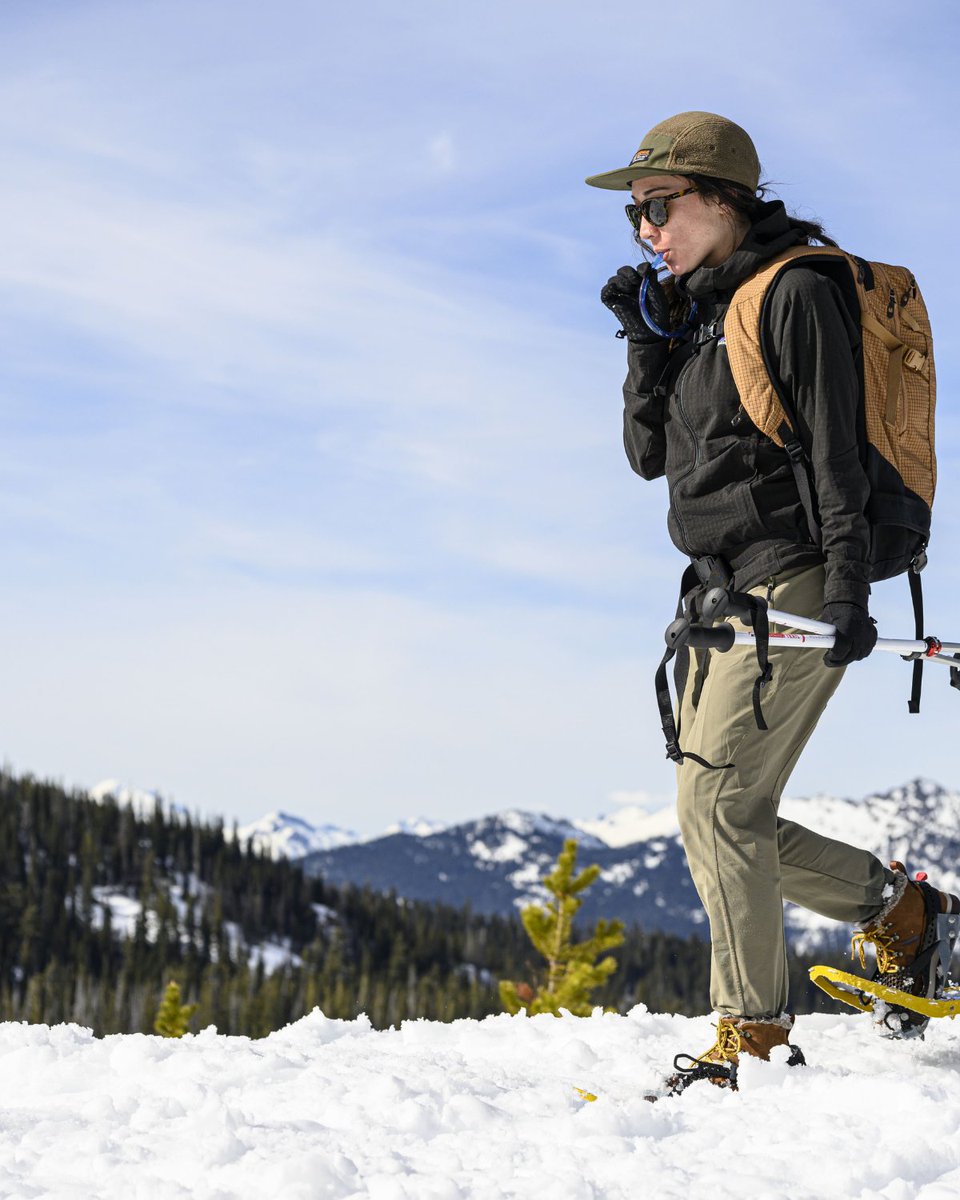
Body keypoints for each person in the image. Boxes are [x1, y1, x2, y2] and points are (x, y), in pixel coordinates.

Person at [586, 111, 958, 1094]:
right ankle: (902, 914)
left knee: (720, 804)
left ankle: (750, 1037)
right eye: (635, 216)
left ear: (722, 198)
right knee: (716, 812)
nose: (647, 230)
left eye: (660, 206)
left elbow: (834, 447)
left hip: (792, 574)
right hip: (720, 588)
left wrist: (846, 587)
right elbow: (649, 457)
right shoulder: (700, 311)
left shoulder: (793, 290)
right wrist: (646, 342)